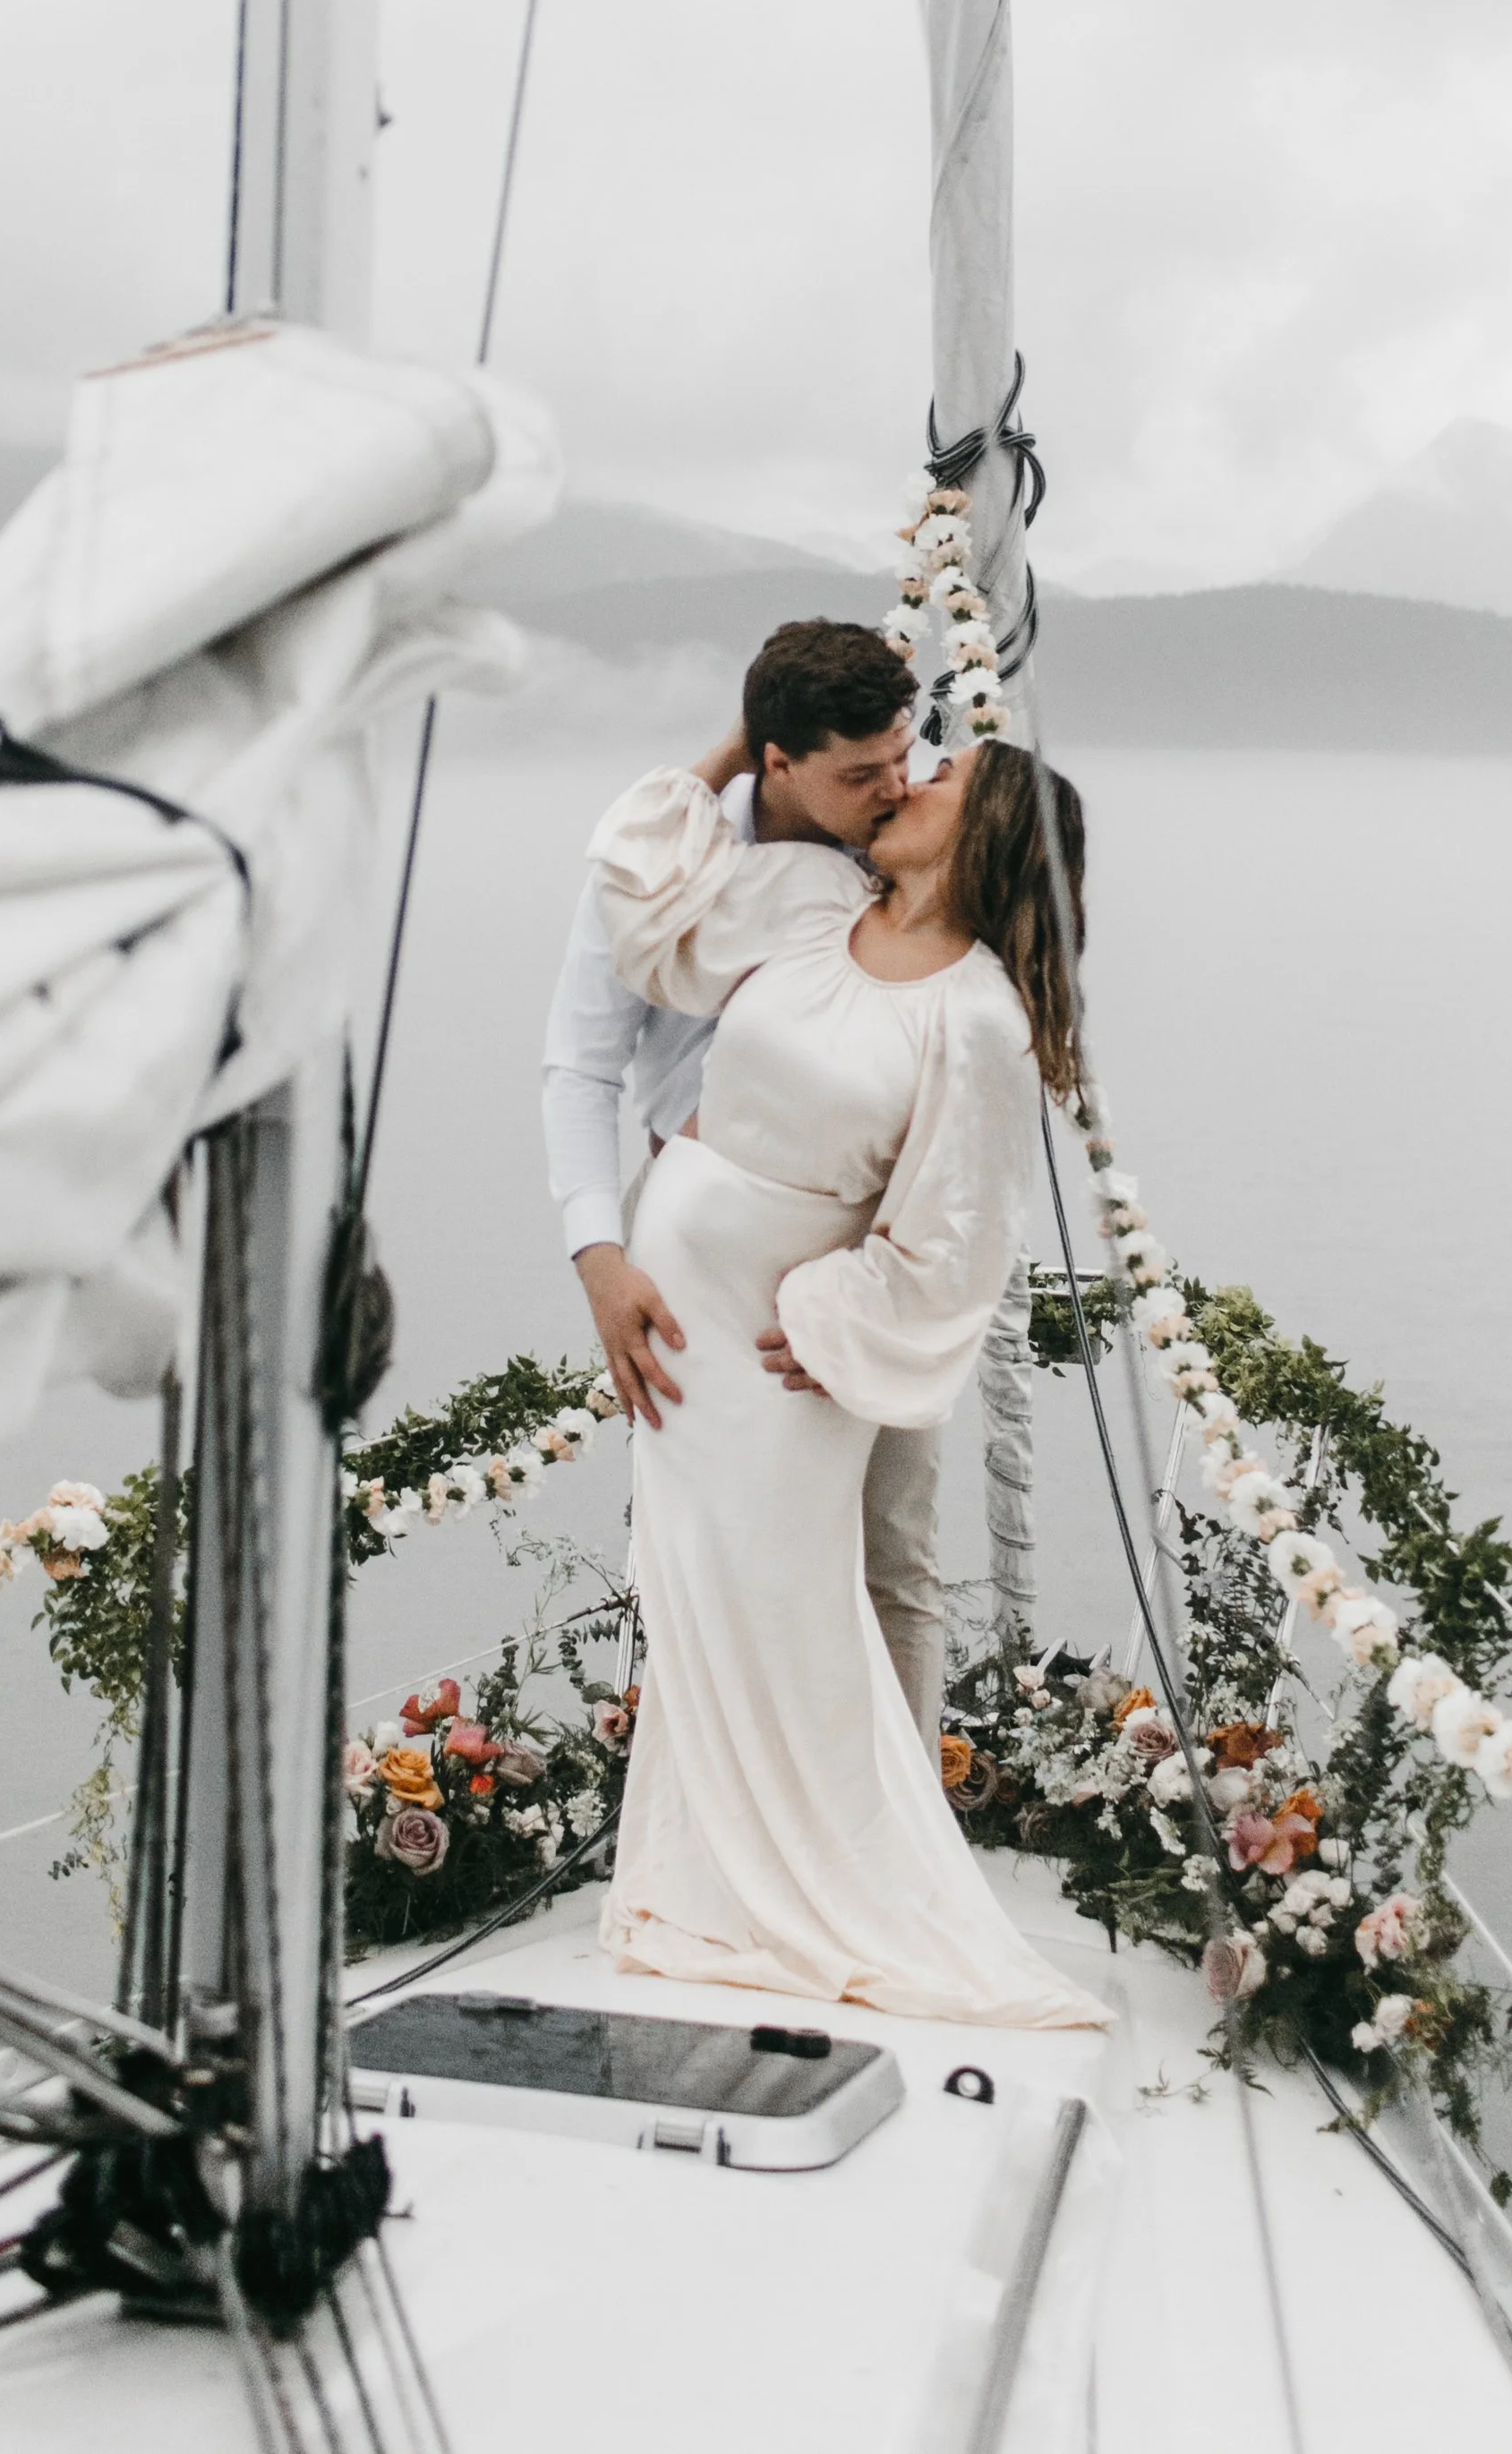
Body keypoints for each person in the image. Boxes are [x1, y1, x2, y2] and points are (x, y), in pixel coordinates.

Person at [580, 722, 1109, 2029]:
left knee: (787, 1611)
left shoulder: (977, 1013)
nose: (914, 774)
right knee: (696, 1600)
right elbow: (649, 911)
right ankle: (701, 1888)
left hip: (776, 1361)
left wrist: (822, 1316)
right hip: (680, 1331)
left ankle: (831, 1892)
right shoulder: (817, 904)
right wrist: (730, 750)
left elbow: (952, 1240)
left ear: (986, 835)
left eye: (945, 777)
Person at [542, 620, 951, 1739]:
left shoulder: (907, 856)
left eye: (902, 759)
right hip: (687, 1245)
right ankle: (709, 1831)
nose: (892, 788)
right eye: (860, 772)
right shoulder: (655, 863)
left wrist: (882, 1280)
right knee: (700, 1548)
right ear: (774, 759)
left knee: (890, 1550)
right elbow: (578, 1067)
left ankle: (901, 1847)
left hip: (864, 1238)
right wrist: (599, 1257)